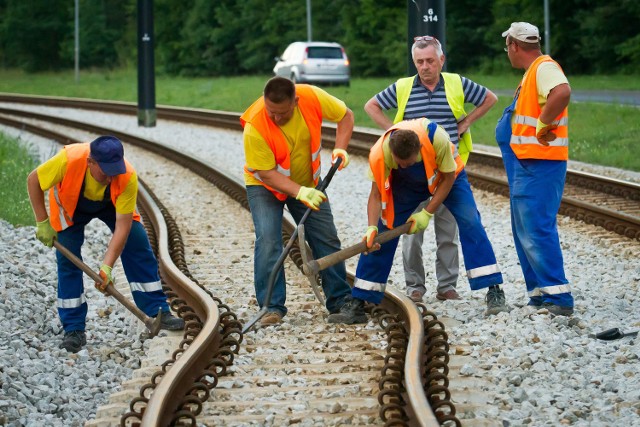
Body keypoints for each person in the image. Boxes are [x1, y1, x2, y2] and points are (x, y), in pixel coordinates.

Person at [328, 118, 509, 323]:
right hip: (406, 186)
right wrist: (371, 227)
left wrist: (427, 212)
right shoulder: (379, 154)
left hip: (448, 178)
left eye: (409, 162)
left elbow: (448, 179)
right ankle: (359, 301)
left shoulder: (437, 139)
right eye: (400, 163)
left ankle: (494, 290)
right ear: (391, 153)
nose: (404, 165)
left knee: (471, 222)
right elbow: (376, 194)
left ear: (420, 149)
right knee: (382, 234)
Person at [364, 35, 498, 303]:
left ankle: (450, 286)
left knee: (453, 230)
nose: (425, 66)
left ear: (441, 60)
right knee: (410, 233)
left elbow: (490, 98)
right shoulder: (403, 87)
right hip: (409, 169)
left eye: (430, 61)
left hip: (447, 166)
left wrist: (467, 122)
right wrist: (392, 134)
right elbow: (371, 106)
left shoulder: (456, 83)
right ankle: (415, 286)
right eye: (419, 62)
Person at [27, 136, 185, 353]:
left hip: (110, 204)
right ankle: (73, 329)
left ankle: (158, 310)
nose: (111, 177)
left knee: (138, 243)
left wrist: (107, 267)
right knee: (68, 262)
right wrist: (42, 222)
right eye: (106, 171)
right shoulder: (68, 160)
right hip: (70, 206)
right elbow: (33, 180)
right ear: (90, 162)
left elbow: (122, 228)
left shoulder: (127, 176)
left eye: (115, 171)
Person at [240, 76, 366, 326]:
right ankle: (271, 307)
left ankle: (340, 300)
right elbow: (266, 173)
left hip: (308, 183)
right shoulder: (255, 125)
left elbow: (346, 116)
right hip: (265, 186)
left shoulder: (312, 97)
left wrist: (341, 147)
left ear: (295, 102)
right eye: (271, 112)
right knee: (268, 240)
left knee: (326, 237)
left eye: (282, 113)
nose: (275, 118)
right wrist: (299, 192)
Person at [496, 22, 574, 316]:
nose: (508, 53)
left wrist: (544, 122)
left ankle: (559, 298)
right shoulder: (532, 74)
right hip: (526, 164)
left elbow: (563, 92)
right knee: (524, 230)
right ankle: (540, 295)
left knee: (537, 229)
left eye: (507, 47)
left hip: (539, 166)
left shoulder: (544, 67)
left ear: (515, 46)